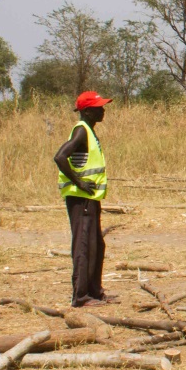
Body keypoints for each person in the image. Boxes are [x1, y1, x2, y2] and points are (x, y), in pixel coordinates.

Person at [54, 91, 117, 308]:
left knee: (96, 245)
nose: (103, 110)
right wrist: (79, 182)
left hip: (90, 199)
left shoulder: (88, 131)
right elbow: (60, 157)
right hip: (81, 200)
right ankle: (80, 296)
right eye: (99, 107)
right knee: (83, 245)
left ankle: (95, 292)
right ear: (87, 111)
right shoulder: (81, 131)